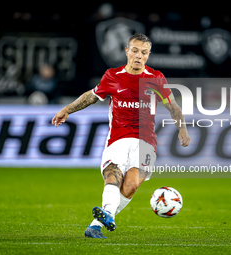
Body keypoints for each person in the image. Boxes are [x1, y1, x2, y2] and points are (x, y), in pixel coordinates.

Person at [52, 33, 190, 238]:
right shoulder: (113, 76)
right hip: (119, 137)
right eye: (135, 51)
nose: (138, 56)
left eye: (144, 52)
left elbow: (173, 106)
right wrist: (68, 109)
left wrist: (182, 128)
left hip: (146, 142)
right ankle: (107, 214)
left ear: (148, 55)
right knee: (113, 174)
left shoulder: (156, 78)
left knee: (132, 185)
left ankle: (97, 224)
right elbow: (91, 96)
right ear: (127, 51)